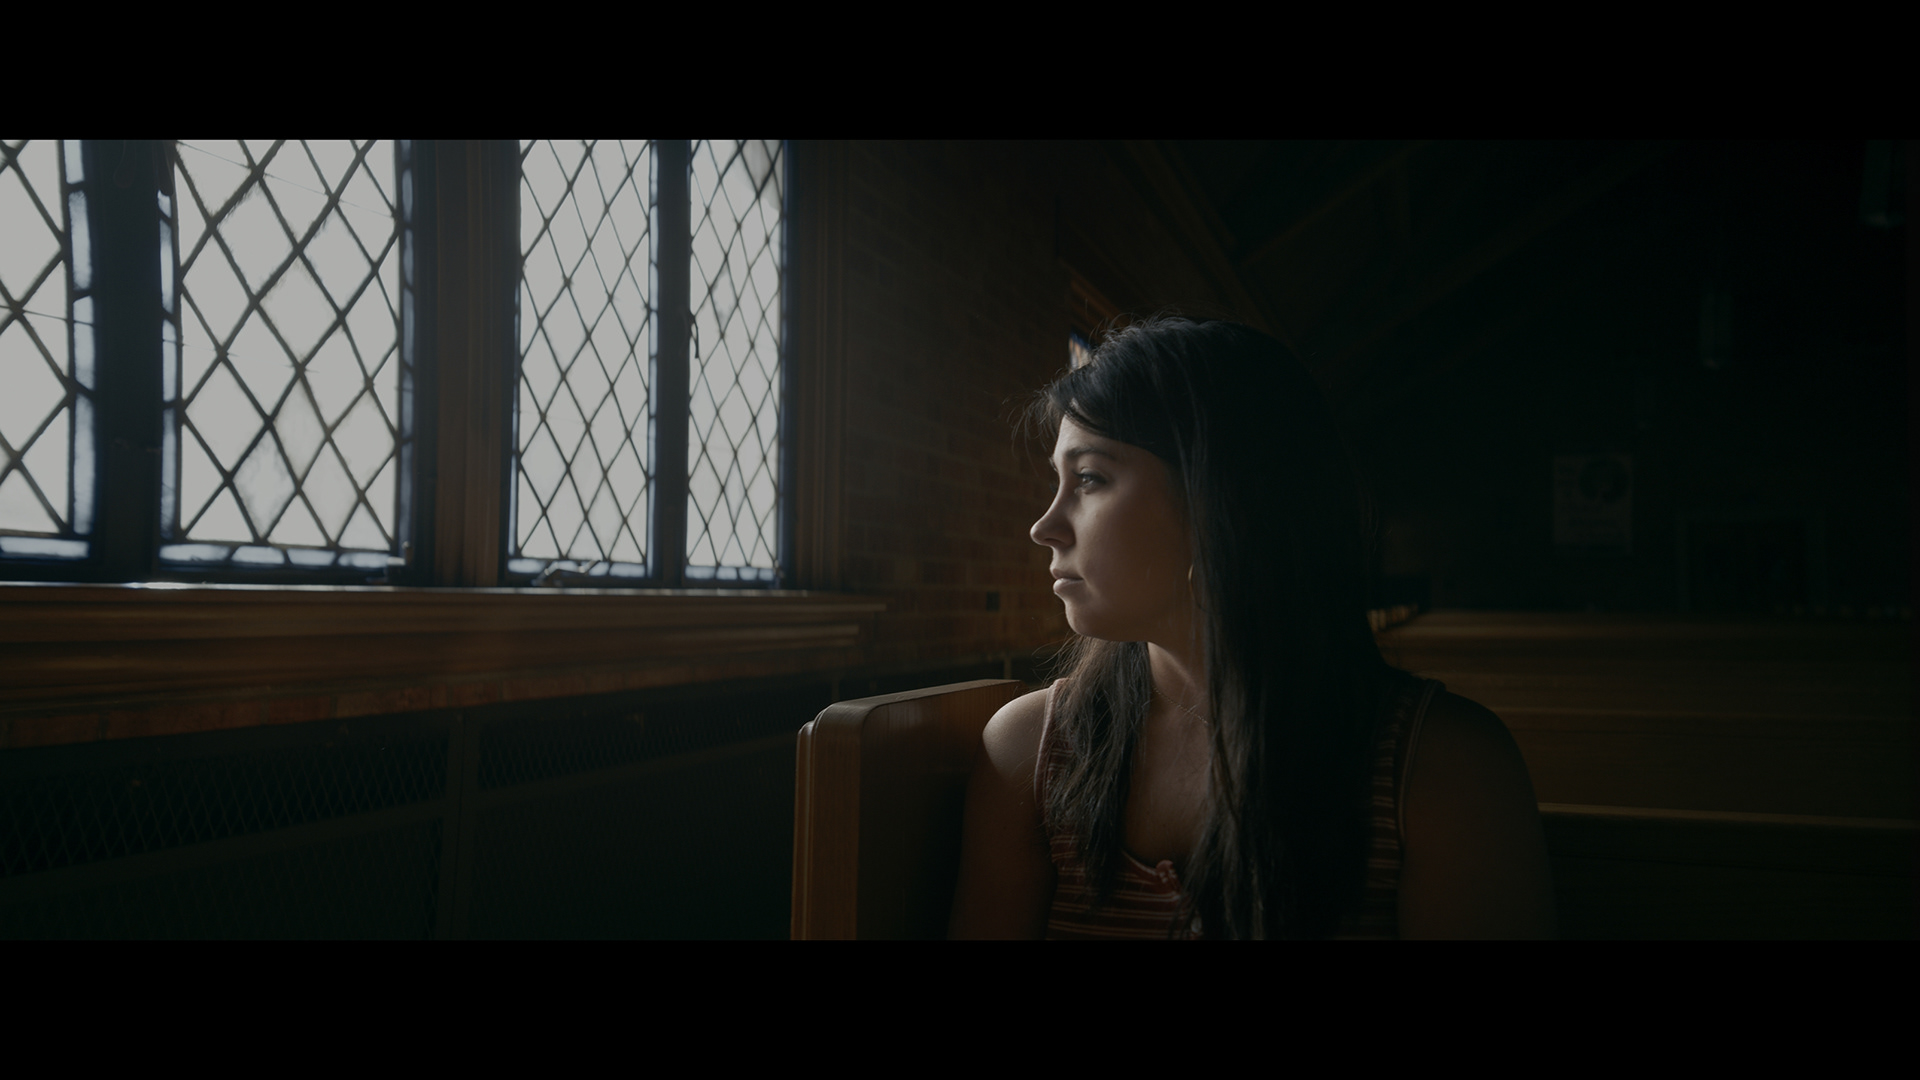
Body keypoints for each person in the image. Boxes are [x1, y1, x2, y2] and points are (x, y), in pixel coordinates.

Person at [948, 317, 1556, 939]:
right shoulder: (1031, 753)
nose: (1044, 526)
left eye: (1089, 478)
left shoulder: (1441, 769)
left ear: (1219, 499)